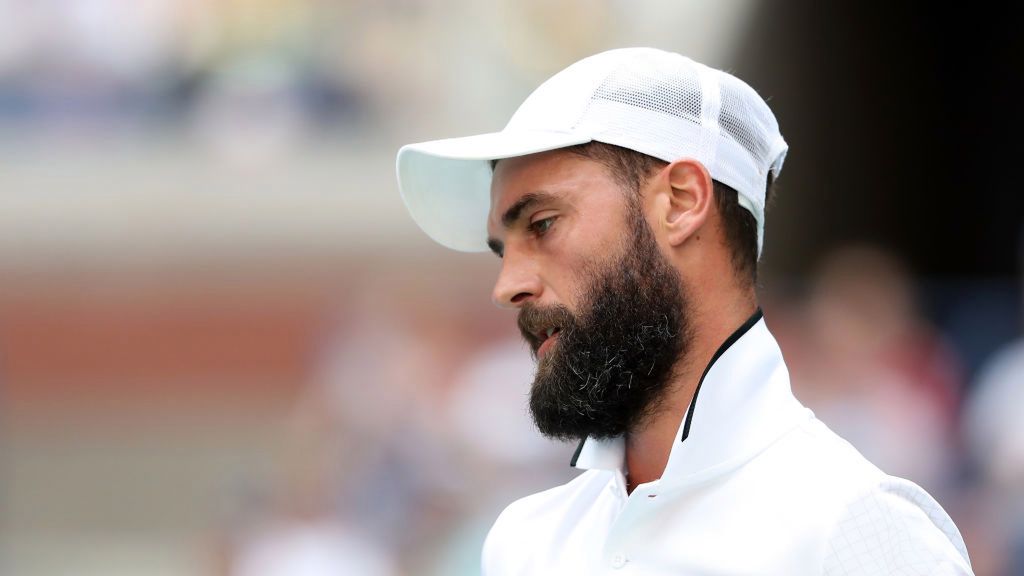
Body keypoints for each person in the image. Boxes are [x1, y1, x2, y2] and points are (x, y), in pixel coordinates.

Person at [395, 47, 973, 575]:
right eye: (504, 249)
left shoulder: (856, 526)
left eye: (543, 224)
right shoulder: (526, 542)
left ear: (681, 202)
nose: (507, 286)